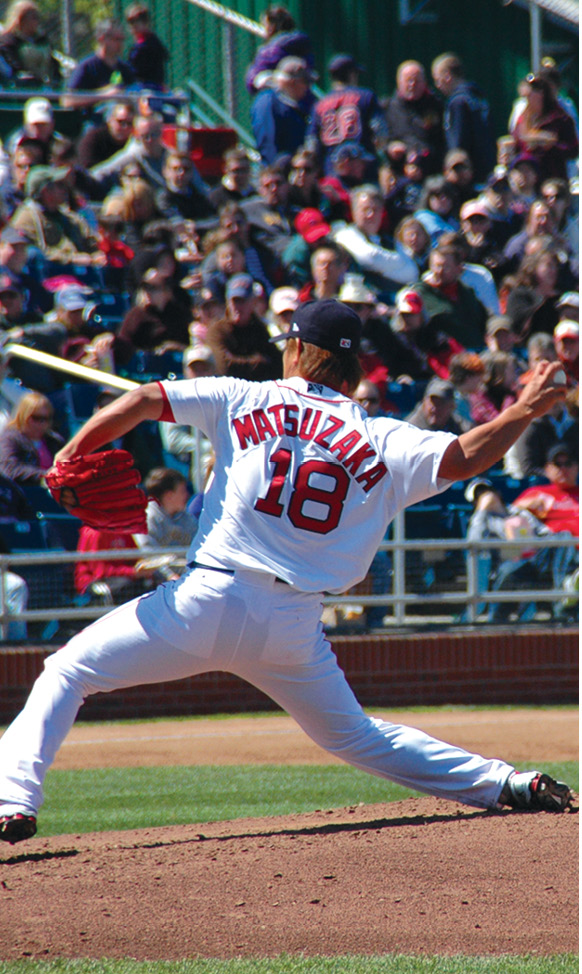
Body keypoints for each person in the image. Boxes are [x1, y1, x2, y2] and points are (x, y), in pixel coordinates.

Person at [0, 300, 573, 846]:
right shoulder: (381, 435)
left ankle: (13, 801)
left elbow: (145, 399)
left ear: (297, 350)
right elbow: (466, 457)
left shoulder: (239, 397)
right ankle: (506, 782)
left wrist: (70, 453)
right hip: (295, 624)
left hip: (205, 600)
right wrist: (522, 409)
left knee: (67, 673)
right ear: (352, 366)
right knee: (357, 737)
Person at [465, 476, 576, 624]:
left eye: (487, 491)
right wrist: (481, 510)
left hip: (536, 556)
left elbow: (543, 532)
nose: (487, 496)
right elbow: (474, 541)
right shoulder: (484, 520)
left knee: (564, 536)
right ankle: (496, 621)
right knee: (510, 570)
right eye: (479, 496)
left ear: (497, 493)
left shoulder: (518, 512)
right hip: (510, 560)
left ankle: (564, 594)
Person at [307, 54, 388, 177]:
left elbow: (312, 144)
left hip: (332, 170)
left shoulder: (319, 105)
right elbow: (380, 132)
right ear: (352, 74)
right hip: (363, 167)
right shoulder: (366, 96)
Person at [431, 53, 496, 183]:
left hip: (467, 177)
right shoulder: (479, 98)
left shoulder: (457, 103)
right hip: (487, 171)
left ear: (447, 76)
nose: (437, 86)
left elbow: (457, 144)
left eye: (437, 80)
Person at [205, 273, 282, 381]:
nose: (237, 307)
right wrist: (257, 361)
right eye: (234, 301)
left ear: (253, 302)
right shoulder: (217, 330)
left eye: (243, 301)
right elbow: (224, 366)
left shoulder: (259, 328)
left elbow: (276, 364)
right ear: (227, 302)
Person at [251, 56, 317, 166]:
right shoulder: (268, 102)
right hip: (278, 170)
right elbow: (268, 144)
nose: (307, 88)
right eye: (305, 82)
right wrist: (277, 170)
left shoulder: (296, 104)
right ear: (292, 82)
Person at [384, 60, 445, 174]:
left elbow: (442, 140)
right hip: (399, 172)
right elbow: (380, 141)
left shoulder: (436, 105)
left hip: (430, 171)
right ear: (399, 82)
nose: (412, 85)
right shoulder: (387, 107)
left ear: (424, 82)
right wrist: (390, 148)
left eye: (417, 81)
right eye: (408, 81)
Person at [63, 19, 135, 114]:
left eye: (122, 40)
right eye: (116, 39)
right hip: (95, 121)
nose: (120, 44)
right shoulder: (87, 66)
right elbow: (67, 101)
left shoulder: (125, 69)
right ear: (101, 39)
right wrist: (104, 95)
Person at [245, 4, 314, 95]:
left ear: (271, 27)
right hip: (303, 95)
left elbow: (252, 81)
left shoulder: (270, 51)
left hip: (276, 97)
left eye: (265, 25)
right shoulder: (303, 44)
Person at [0, 391, 62, 484]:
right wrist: (46, 475)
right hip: (24, 494)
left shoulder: (55, 441)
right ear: (23, 416)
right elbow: (9, 470)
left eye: (46, 419)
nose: (42, 423)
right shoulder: (10, 439)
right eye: (36, 418)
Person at [0, 0, 59, 86]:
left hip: (45, 85)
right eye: (33, 17)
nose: (37, 21)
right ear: (21, 19)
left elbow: (53, 64)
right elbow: (13, 68)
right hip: (22, 87)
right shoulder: (9, 41)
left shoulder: (42, 40)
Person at [76, 100, 135, 170]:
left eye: (130, 123)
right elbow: (88, 170)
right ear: (110, 120)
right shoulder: (93, 139)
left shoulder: (136, 142)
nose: (125, 127)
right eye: (121, 122)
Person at [125, 2, 169, 89]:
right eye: (131, 21)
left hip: (147, 87)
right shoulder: (141, 44)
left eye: (141, 20)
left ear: (147, 22)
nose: (134, 25)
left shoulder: (148, 45)